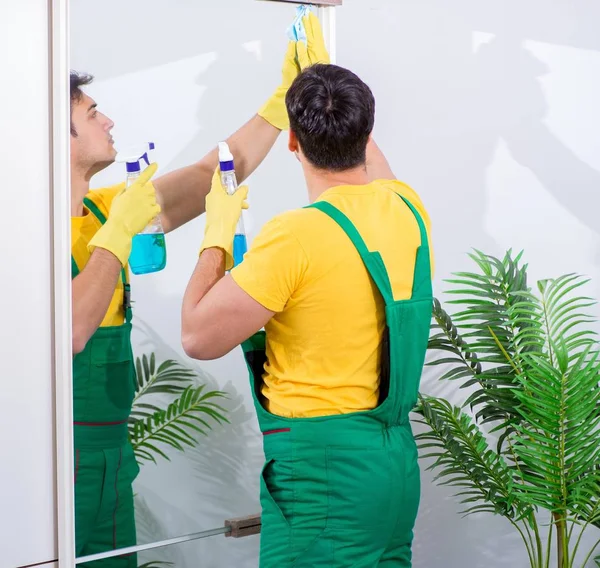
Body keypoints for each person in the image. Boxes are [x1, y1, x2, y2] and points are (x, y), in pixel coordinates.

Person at [180, 14, 434, 568]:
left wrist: (216, 232)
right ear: (366, 133)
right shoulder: (407, 209)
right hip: (391, 466)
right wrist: (324, 77)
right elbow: (374, 162)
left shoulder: (296, 236)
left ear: (292, 141)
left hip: (322, 469)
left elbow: (198, 336)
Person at [70, 21, 314, 567]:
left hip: (113, 460)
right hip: (59, 467)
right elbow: (72, 329)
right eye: (90, 115)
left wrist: (281, 104)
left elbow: (214, 173)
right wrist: (115, 236)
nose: (108, 120)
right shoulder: (27, 235)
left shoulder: (111, 207)